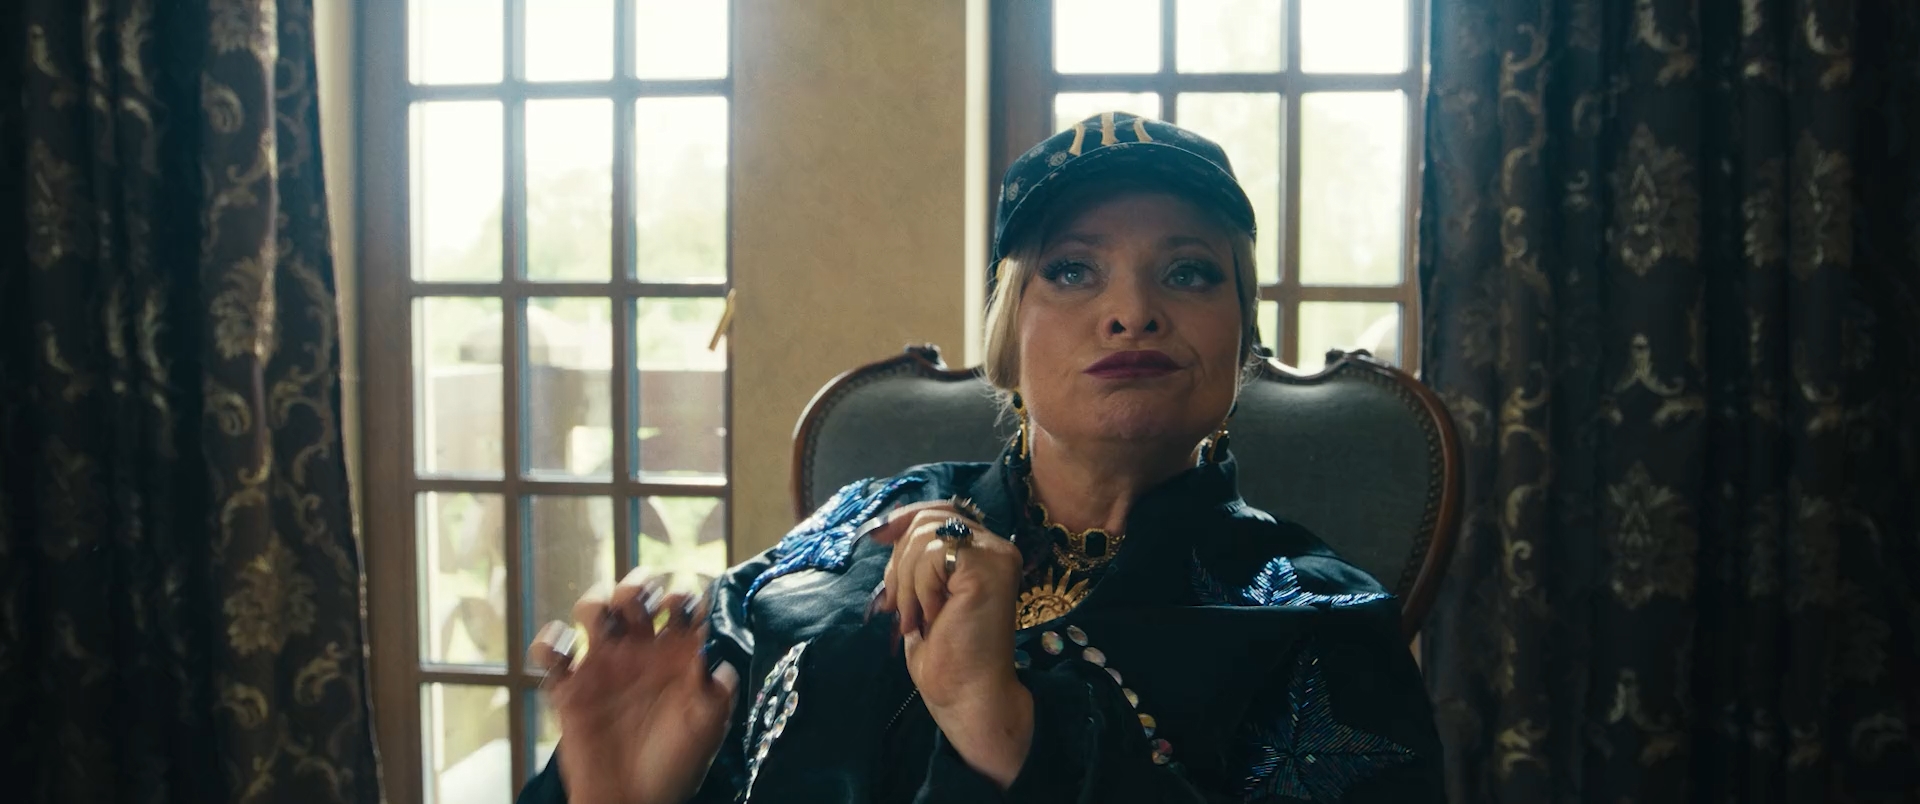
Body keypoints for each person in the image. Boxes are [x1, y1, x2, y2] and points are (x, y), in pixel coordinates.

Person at [517, 111, 1444, 804]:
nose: (1132, 312)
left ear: (1241, 334)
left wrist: (1011, 736)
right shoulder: (852, 532)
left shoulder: (1320, 623)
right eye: (1072, 269)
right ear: (1008, 334)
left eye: (1190, 271)